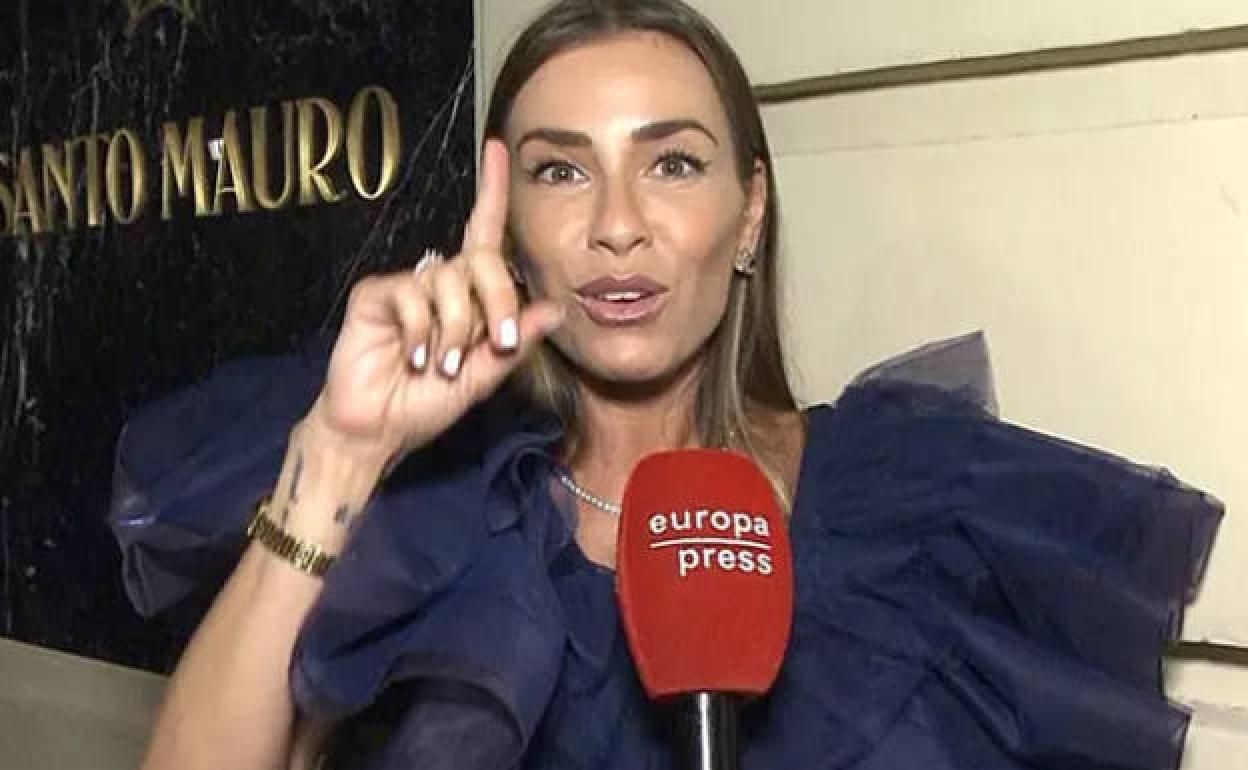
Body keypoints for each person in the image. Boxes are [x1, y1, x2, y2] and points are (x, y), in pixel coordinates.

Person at [111, 1, 1223, 768]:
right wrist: (342, 455)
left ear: (750, 213)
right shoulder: (432, 524)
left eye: (673, 162)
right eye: (561, 169)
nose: (617, 224)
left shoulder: (925, 510)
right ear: (512, 222)